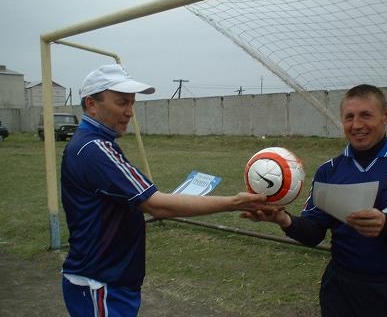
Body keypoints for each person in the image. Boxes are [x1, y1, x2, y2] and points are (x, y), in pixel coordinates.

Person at [60, 64, 276, 316]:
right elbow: (157, 205)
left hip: (107, 280)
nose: (130, 112)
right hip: (100, 283)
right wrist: (234, 203)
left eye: (132, 103)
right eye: (121, 103)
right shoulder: (94, 149)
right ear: (91, 105)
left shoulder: (93, 145)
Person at [241, 84, 387, 317]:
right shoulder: (329, 171)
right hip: (343, 290)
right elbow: (314, 232)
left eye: (366, 115)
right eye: (349, 117)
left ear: (385, 116)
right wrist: (284, 220)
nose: (357, 125)